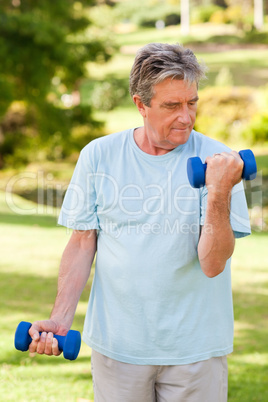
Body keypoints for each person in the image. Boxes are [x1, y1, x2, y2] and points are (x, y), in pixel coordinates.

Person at [29, 43, 251, 401]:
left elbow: (213, 264)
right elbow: (83, 242)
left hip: (195, 352)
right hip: (118, 347)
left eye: (192, 103)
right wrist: (60, 318)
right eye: (171, 105)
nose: (186, 117)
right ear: (140, 104)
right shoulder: (99, 155)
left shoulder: (220, 163)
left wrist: (219, 193)